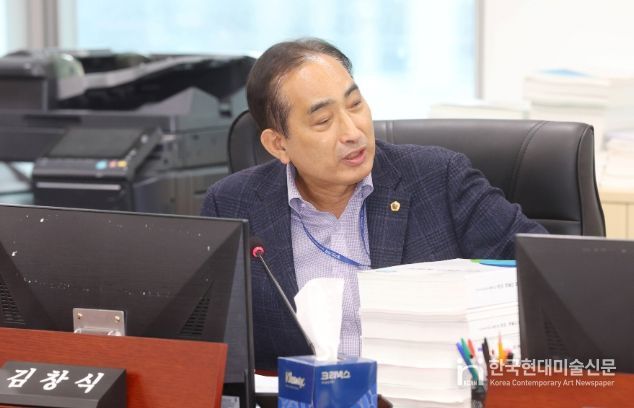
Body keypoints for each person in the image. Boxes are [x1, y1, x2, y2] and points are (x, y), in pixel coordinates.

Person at [201, 38, 546, 370]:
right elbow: (208, 341)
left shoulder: (438, 179)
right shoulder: (232, 204)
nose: (353, 132)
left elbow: (545, 274)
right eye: (323, 121)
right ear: (278, 145)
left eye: (355, 105)